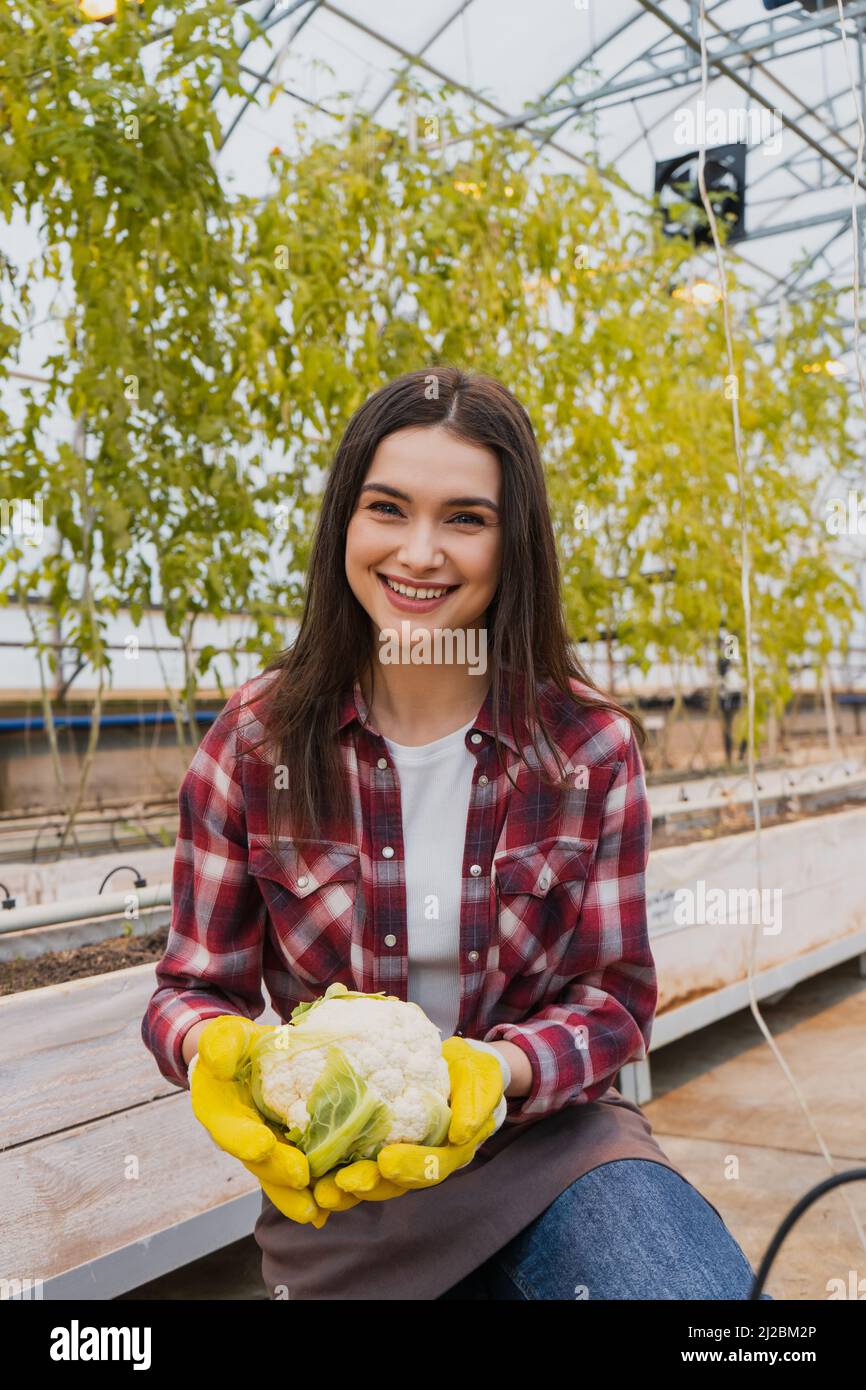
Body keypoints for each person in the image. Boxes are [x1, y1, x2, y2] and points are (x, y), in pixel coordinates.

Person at [142, 366, 768, 1300]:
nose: (421, 552)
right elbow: (191, 988)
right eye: (388, 509)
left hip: (550, 1157)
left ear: (513, 544)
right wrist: (215, 1052)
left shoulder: (587, 747)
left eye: (465, 519)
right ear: (344, 528)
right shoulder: (256, 738)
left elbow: (615, 1002)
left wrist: (503, 1068)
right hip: (342, 1190)